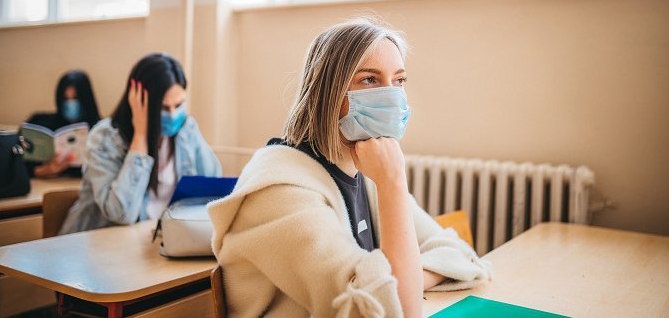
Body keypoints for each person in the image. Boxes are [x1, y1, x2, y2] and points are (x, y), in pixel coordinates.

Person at [207, 18, 491, 318]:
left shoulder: (362, 172)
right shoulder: (279, 194)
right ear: (327, 92)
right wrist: (393, 182)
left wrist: (404, 278)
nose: (392, 95)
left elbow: (459, 253)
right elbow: (396, 311)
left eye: (399, 80)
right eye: (369, 79)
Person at [60, 53, 222, 234]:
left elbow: (213, 188)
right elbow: (121, 214)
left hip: (157, 239)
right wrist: (140, 137)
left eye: (178, 105)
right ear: (138, 100)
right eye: (163, 107)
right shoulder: (104, 137)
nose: (173, 115)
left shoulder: (186, 129)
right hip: (100, 243)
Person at [25, 70, 101, 178]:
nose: (70, 104)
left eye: (75, 98)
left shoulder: (101, 130)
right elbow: (20, 167)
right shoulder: (40, 122)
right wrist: (45, 170)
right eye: (65, 99)